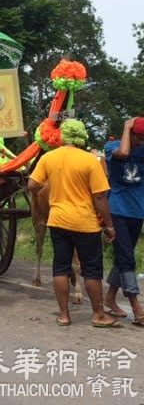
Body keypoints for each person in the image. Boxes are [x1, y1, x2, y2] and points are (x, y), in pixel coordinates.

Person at [28, 119, 119, 328]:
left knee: (60, 268)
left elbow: (32, 184)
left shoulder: (49, 158)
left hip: (58, 220)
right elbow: (99, 198)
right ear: (82, 136)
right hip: (85, 223)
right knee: (92, 270)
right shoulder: (90, 161)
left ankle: (64, 315)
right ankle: (98, 314)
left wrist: (49, 194)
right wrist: (109, 225)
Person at [103, 117, 144, 326]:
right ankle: (137, 307)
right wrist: (127, 128)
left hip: (138, 212)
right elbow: (124, 153)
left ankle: (109, 298)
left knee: (123, 257)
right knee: (128, 258)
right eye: (139, 137)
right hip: (118, 210)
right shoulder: (112, 147)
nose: (141, 141)